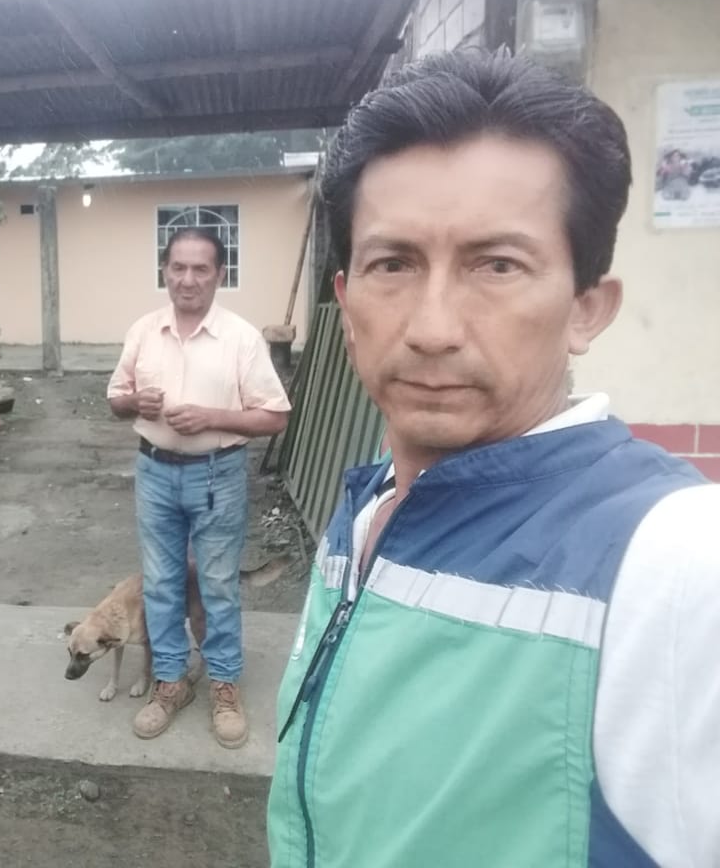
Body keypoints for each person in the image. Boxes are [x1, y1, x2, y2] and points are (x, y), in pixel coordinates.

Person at [267, 50, 719, 867]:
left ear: (586, 308)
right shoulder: (368, 511)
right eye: (393, 264)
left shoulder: (676, 565)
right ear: (345, 303)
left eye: (497, 265)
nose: (432, 328)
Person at [108, 228, 290, 748]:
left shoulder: (240, 338)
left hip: (218, 474)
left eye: (200, 269)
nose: (188, 279)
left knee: (217, 584)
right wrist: (135, 403)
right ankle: (170, 682)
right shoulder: (144, 331)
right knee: (161, 583)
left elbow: (275, 416)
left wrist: (213, 417)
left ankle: (224, 685)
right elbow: (116, 399)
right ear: (165, 271)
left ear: (219, 275)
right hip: (154, 472)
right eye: (178, 268)